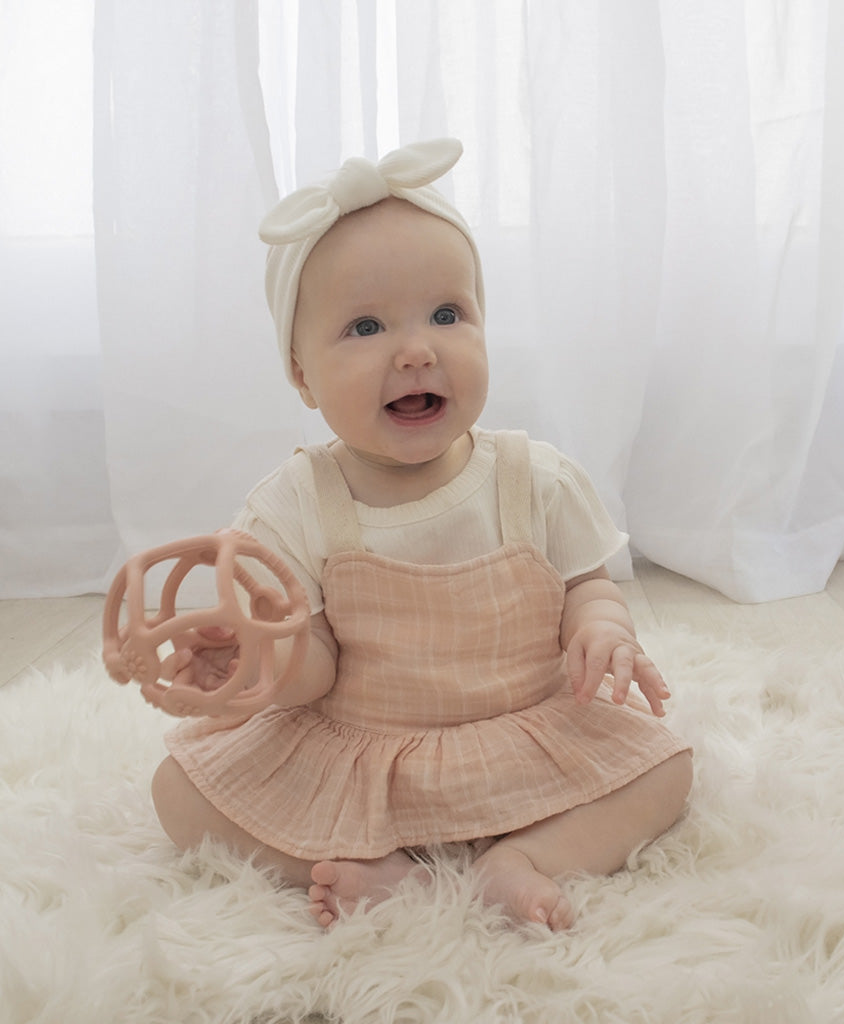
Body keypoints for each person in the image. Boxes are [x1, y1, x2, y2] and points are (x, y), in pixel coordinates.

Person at [151, 139, 692, 931]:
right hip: (367, 746)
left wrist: (603, 630)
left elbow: (586, 583)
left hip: (524, 728)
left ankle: (522, 858)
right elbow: (316, 668)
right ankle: (376, 870)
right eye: (365, 326)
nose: (415, 350)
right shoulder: (292, 506)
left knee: (666, 769)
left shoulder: (532, 477)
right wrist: (262, 660)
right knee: (179, 791)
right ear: (301, 374)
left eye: (448, 314)